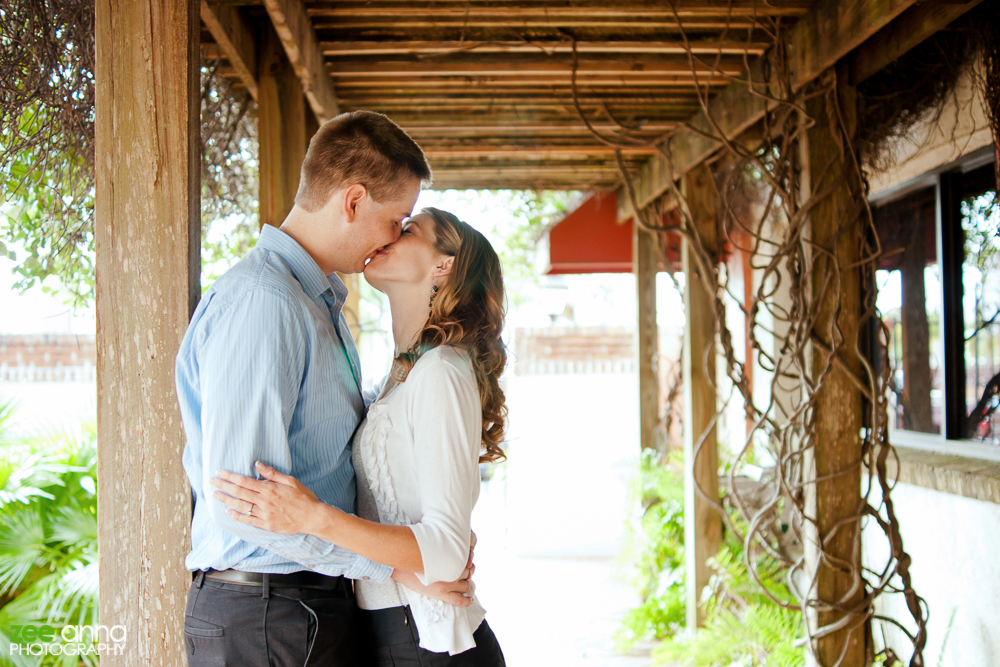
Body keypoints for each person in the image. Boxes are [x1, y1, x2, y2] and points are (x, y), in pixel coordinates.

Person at [175, 111, 473, 667]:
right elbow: (245, 504)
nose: (392, 236)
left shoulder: (317, 301)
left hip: (301, 609)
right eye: (396, 219)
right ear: (353, 201)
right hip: (269, 612)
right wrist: (395, 566)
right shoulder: (267, 303)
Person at [210, 207, 508, 665]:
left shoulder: (443, 371)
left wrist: (313, 517)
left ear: (443, 264)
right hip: (387, 631)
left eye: (408, 229)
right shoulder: (402, 375)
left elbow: (448, 552)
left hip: (430, 641)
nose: (389, 234)